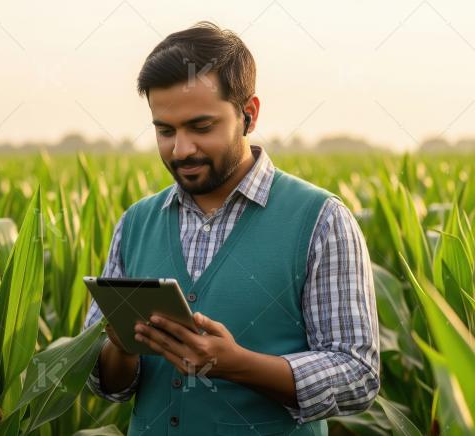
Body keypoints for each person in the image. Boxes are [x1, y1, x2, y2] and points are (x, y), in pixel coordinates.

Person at [82, 21, 380, 436]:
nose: (181, 149)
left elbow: (357, 374)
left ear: (249, 114)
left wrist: (238, 364)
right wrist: (121, 347)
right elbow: (104, 383)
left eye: (201, 128)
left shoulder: (322, 220)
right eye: (165, 131)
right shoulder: (135, 223)